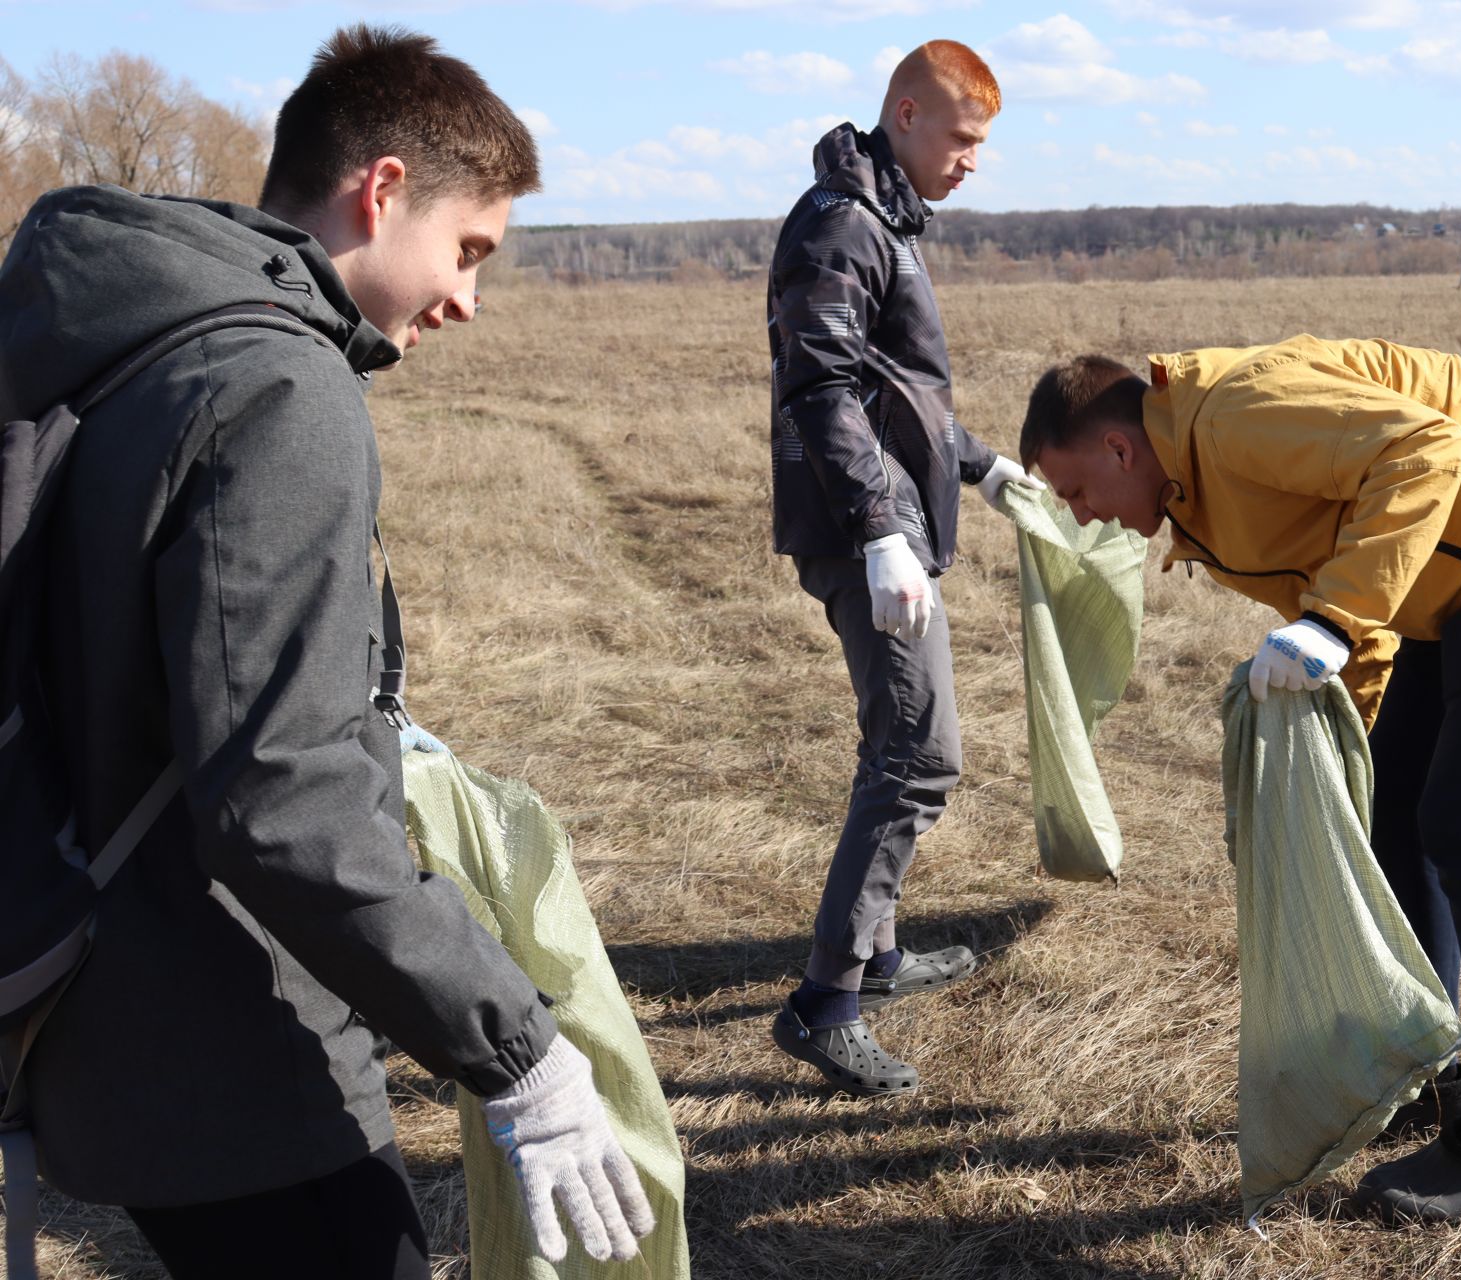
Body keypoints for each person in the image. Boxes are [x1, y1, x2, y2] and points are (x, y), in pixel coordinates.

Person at [0, 26, 651, 1277]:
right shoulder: (282, 390)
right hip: (223, 1034)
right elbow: (280, 798)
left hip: (82, 986)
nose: (469, 297)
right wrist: (515, 1046)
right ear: (383, 187)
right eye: (469, 250)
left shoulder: (128, 329)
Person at [1018, 340, 1461, 1224]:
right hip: (1459, 565)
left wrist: (1333, 618)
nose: (1084, 516)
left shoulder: (1233, 416)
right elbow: (1351, 565)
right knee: (1395, 812)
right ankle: (1434, 1068)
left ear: (1119, 449)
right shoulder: (1199, 493)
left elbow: (1424, 452)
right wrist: (1341, 731)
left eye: (1077, 491)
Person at [764, 40, 1041, 1095]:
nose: (974, 162)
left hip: (882, 526)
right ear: (911, 113)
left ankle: (876, 955)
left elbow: (896, 397)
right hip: (860, 535)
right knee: (922, 756)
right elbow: (822, 388)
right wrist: (883, 526)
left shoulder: (880, 221)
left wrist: (983, 466)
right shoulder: (840, 224)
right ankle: (826, 1004)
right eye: (966, 139)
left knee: (894, 739)